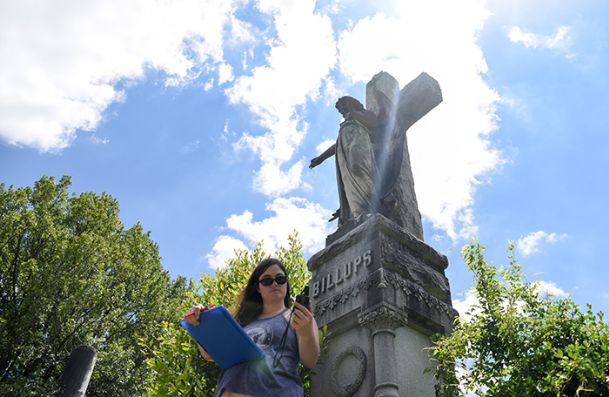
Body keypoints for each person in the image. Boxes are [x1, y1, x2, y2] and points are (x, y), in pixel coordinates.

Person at [183, 258, 320, 397]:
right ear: (257, 288)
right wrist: (201, 322)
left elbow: (310, 361)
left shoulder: (299, 318)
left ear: (286, 283)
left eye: (280, 279)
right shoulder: (241, 321)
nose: (274, 284)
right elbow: (209, 355)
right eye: (267, 280)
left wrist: (306, 333)